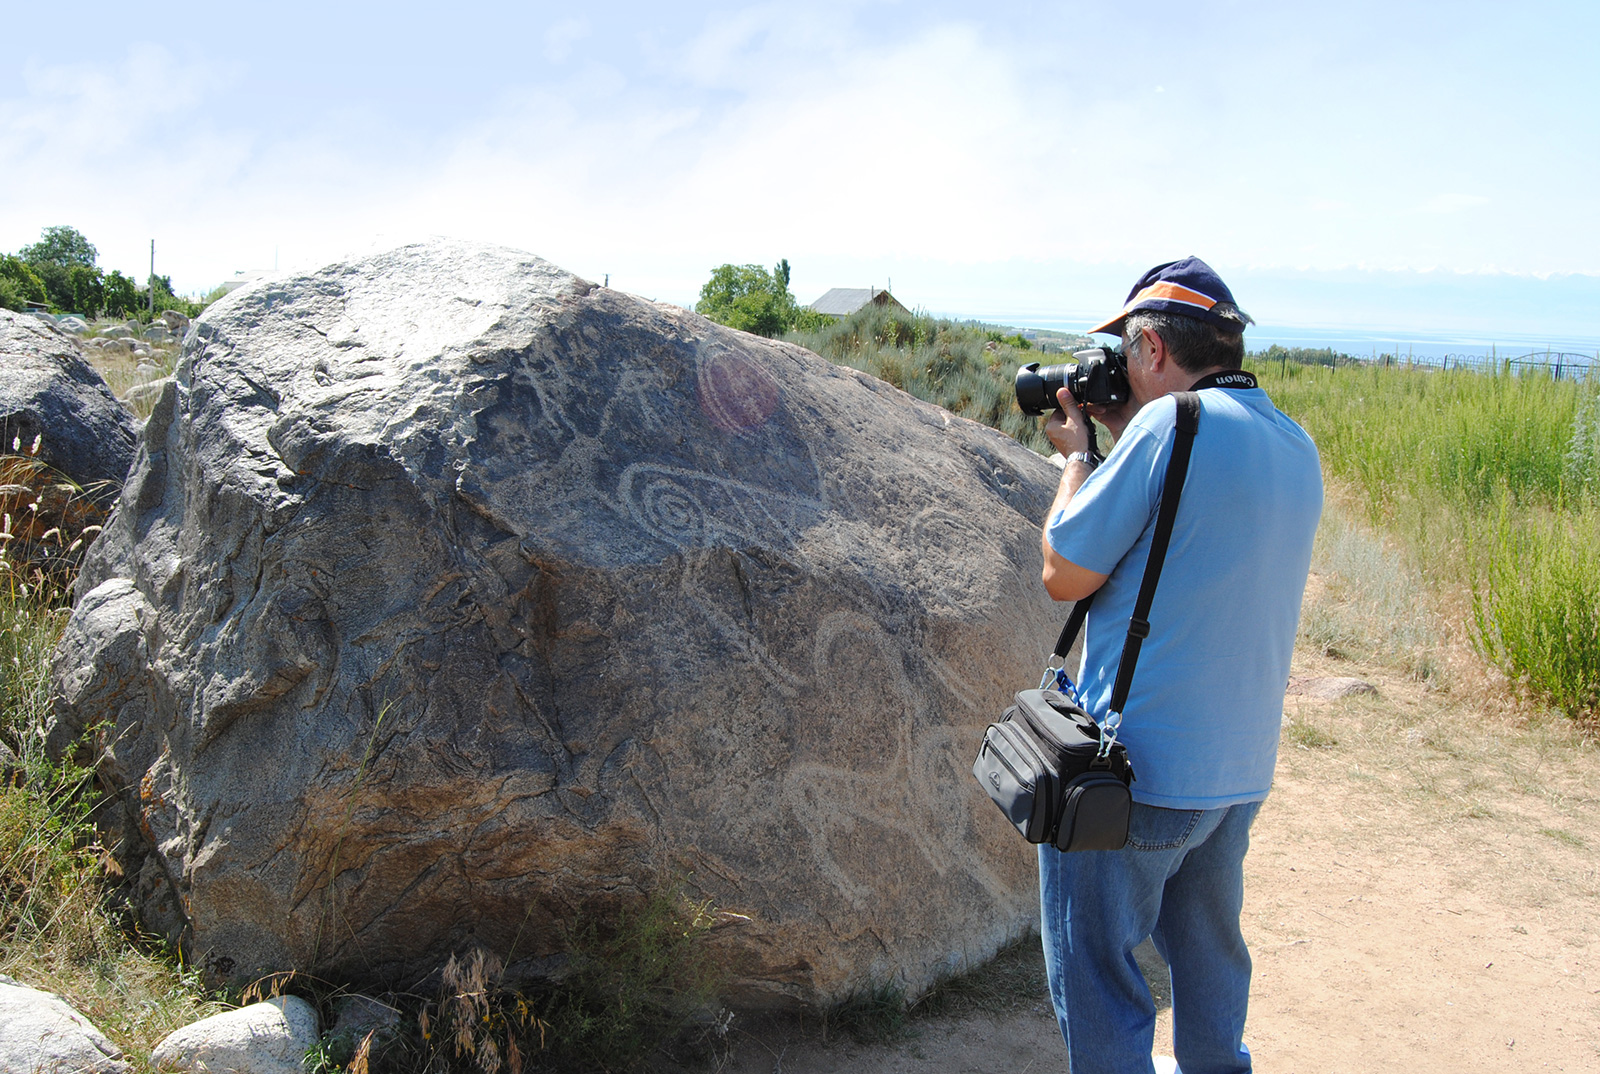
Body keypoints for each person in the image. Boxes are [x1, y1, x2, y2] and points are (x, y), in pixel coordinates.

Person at [1036, 257, 1323, 1074]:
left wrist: (1075, 460)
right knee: (1209, 961)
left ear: (1154, 348)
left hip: (1134, 775)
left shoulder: (1170, 431)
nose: (1120, 372)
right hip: (1235, 774)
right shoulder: (1294, 443)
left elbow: (1063, 570)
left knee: (1099, 977)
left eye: (1127, 355)